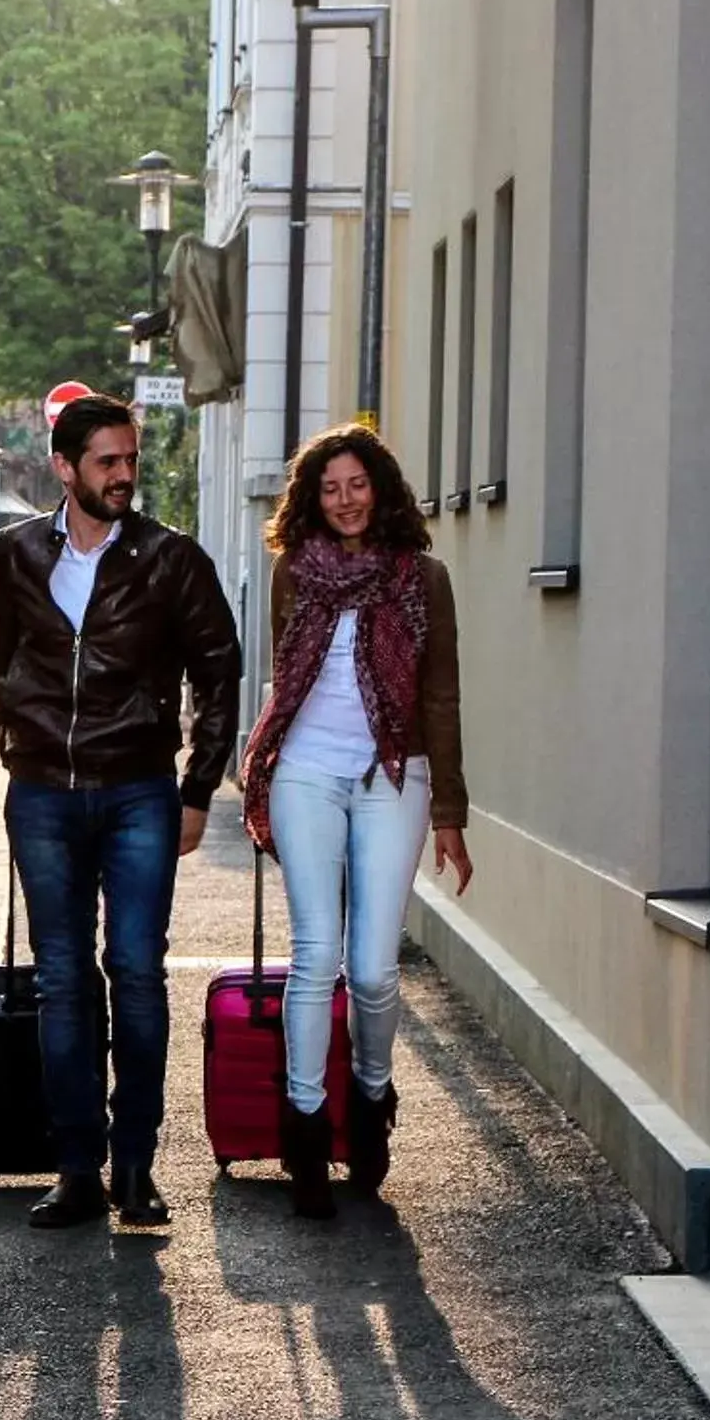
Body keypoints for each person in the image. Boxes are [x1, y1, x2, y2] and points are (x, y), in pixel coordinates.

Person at [0, 393, 242, 1230]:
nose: (124, 474)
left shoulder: (172, 560)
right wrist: (19, 746)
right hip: (45, 798)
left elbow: (219, 671)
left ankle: (135, 1166)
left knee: (135, 972)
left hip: (139, 793)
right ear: (65, 468)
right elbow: (0, 659)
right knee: (63, 980)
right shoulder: (14, 554)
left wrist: (197, 785)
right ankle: (74, 1168)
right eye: (107, 462)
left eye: (130, 460)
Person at [240, 424, 471, 1220]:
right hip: (306, 768)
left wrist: (450, 812)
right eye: (329, 487)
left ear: (382, 491)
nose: (344, 500)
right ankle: (306, 1130)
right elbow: (286, 673)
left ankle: (370, 1097)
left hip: (393, 775)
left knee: (373, 969)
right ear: (313, 497)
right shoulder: (292, 574)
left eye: (357, 485)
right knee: (316, 956)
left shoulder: (422, 578)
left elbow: (440, 695)